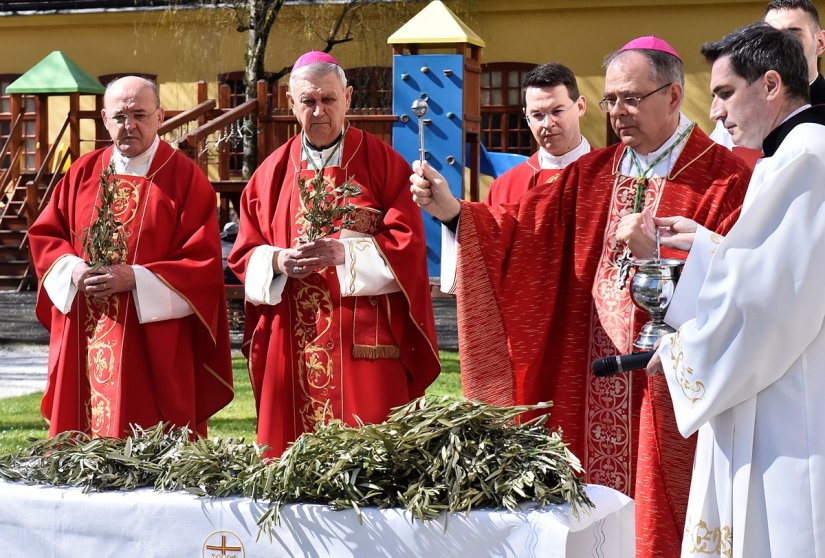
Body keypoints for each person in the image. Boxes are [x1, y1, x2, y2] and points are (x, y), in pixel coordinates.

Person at [412, 37, 752, 558]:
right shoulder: (591, 174)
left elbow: (744, 283)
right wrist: (455, 212)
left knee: (668, 517)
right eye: (611, 99)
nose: (617, 113)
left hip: (671, 386)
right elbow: (522, 229)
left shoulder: (723, 178)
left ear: (675, 96)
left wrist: (659, 256)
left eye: (632, 99)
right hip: (589, 379)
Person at [646, 23, 825, 557]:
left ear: (770, 85)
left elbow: (773, 301)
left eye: (724, 93)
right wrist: (708, 248)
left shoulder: (807, 157)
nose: (716, 111)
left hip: (792, 393)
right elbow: (774, 270)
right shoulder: (792, 154)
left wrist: (681, 352)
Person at [228, 51, 440, 457]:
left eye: (328, 99)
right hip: (291, 336)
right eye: (308, 101)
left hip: (362, 342)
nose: (319, 110)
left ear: (348, 98)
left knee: (370, 464)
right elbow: (244, 254)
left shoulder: (382, 163)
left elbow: (409, 246)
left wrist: (345, 253)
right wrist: (276, 261)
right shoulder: (269, 173)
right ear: (292, 103)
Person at [28, 76, 234, 439]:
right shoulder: (82, 173)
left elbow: (200, 265)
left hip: (152, 342)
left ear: (160, 116)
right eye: (121, 117)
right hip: (86, 333)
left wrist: (136, 278)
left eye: (140, 114)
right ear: (106, 119)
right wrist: (74, 270)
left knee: (150, 450)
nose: (130, 125)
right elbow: (47, 236)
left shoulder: (184, 178)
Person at [710, 0, 825, 160]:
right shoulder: (734, 117)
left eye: (792, 34)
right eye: (771, 36)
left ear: (820, 42)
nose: (779, 45)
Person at [485, 63, 589, 206]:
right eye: (537, 115)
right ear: (526, 117)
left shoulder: (611, 174)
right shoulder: (503, 188)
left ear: (580, 107)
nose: (547, 124)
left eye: (557, 111)